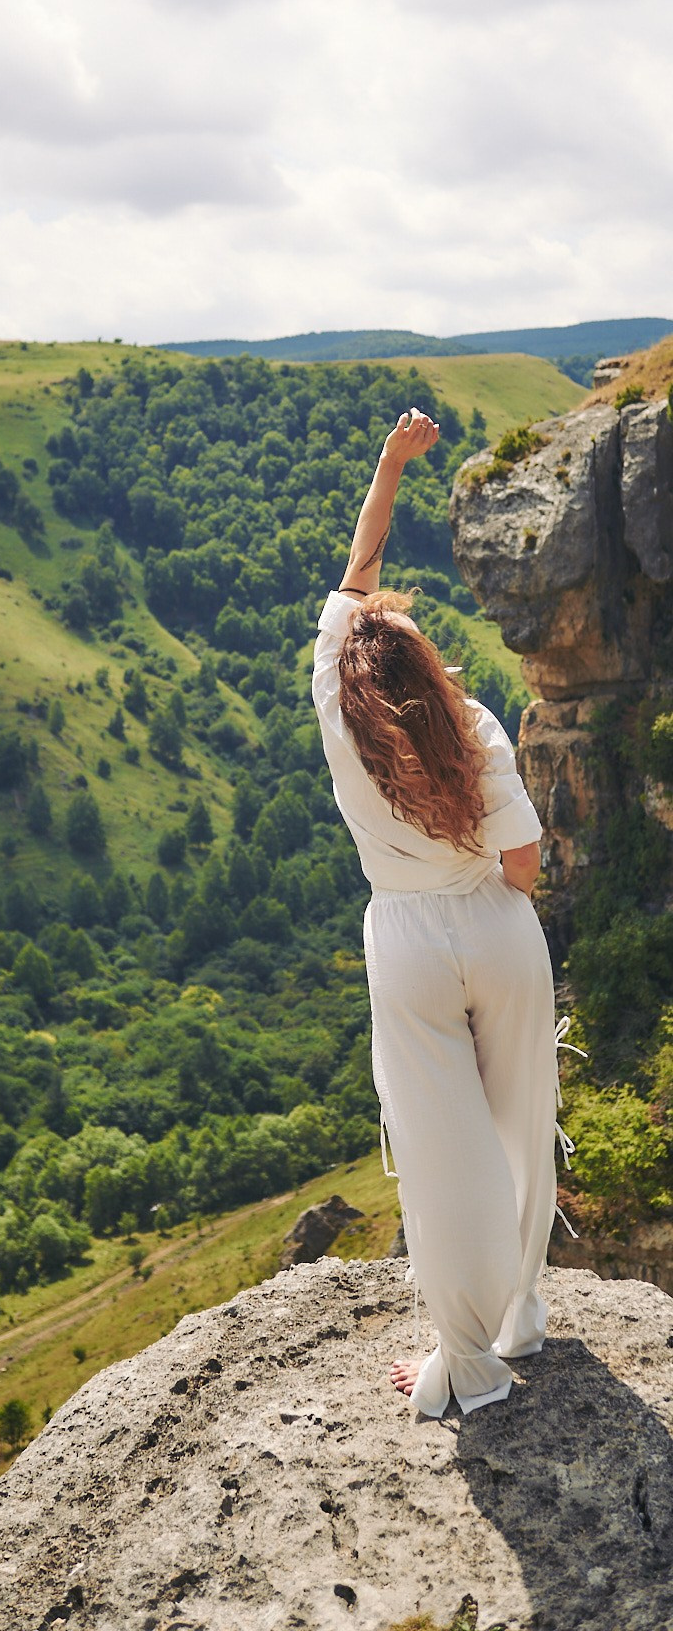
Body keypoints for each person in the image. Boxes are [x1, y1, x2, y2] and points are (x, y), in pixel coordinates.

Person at [312, 407, 565, 1419]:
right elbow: (524, 860)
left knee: (440, 1141)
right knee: (519, 1118)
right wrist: (493, 920)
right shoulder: (475, 731)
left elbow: (358, 568)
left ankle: (467, 1360)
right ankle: (523, 1317)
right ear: (427, 674)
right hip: (497, 926)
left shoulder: (337, 705)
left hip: (407, 938)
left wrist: (388, 464)